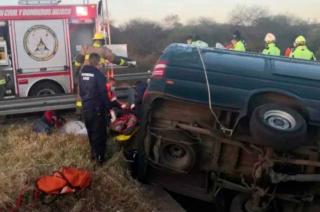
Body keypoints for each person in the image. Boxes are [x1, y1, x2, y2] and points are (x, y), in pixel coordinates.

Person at [79, 53, 111, 165]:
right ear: (97, 62)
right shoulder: (99, 75)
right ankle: (100, 159)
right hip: (96, 108)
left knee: (91, 132)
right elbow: (103, 93)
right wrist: (109, 107)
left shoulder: (82, 73)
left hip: (86, 107)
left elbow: (81, 90)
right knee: (100, 133)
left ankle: (93, 154)